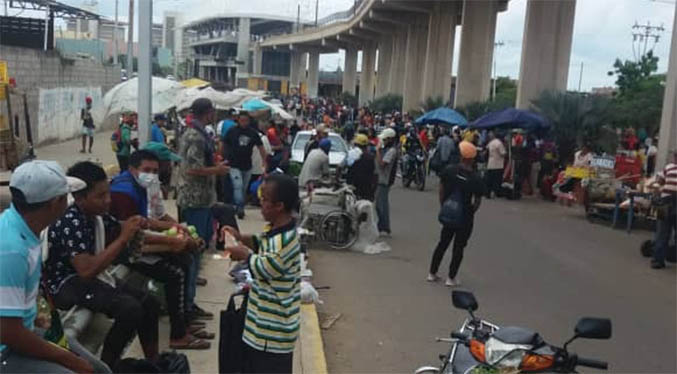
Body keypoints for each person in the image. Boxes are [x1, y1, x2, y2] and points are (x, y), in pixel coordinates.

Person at [45, 161, 160, 368]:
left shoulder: (94, 214)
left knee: (150, 303)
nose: (108, 201)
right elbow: (86, 270)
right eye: (101, 196)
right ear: (80, 197)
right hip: (64, 283)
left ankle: (154, 362)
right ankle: (107, 366)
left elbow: (119, 227)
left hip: (84, 280)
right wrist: (124, 238)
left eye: (108, 194)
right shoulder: (70, 218)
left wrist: (134, 224)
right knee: (130, 309)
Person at [0, 160, 111, 374]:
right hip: (5, 350)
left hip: (20, 332)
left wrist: (31, 315)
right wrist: (68, 360)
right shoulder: (11, 249)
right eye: (67, 197)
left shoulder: (23, 227)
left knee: (99, 370)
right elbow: (7, 332)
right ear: (54, 204)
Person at [109, 151, 212, 350]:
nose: (151, 174)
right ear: (132, 169)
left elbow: (150, 220)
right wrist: (168, 241)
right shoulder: (124, 192)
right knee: (175, 272)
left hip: (138, 243)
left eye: (155, 170)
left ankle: (184, 322)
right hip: (125, 251)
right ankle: (178, 334)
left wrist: (178, 231)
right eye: (146, 170)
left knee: (184, 258)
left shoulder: (142, 186)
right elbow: (132, 237)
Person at [221, 174, 301, 374]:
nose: (260, 202)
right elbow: (260, 241)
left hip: (272, 334)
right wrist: (240, 237)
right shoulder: (276, 230)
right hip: (259, 328)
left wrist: (244, 255)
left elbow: (264, 267)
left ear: (279, 206)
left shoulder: (286, 241)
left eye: (264, 199)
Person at [177, 98, 230, 322]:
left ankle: (189, 302)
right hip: (195, 200)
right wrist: (217, 170)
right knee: (192, 253)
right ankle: (186, 306)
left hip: (203, 199)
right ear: (208, 113)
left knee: (198, 250)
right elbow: (193, 169)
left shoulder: (200, 134)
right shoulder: (195, 136)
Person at [428, 141, 485, 287]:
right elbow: (477, 201)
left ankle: (432, 273)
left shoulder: (450, 170)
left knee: (442, 243)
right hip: (465, 217)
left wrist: (444, 205)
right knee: (459, 248)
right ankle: (450, 278)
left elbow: (441, 189)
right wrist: (471, 211)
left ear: (461, 156)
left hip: (449, 213)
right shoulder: (475, 178)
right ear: (472, 159)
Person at [223, 112, 268, 219]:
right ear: (238, 120)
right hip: (233, 164)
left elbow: (261, 148)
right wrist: (223, 157)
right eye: (242, 120)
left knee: (243, 188)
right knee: (237, 186)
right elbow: (224, 143)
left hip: (247, 165)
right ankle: (239, 208)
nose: (244, 123)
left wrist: (264, 162)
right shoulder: (232, 131)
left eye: (246, 121)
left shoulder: (252, 133)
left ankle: (239, 205)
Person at [651, 150, 677, 269]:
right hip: (670, 202)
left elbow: (658, 182)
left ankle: (657, 260)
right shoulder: (668, 167)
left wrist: (657, 192)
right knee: (663, 232)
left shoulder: (668, 167)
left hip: (664, 202)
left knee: (661, 232)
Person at [374, 128, 398, 237]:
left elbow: (382, 164)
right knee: (381, 204)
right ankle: (384, 226)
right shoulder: (387, 149)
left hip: (384, 180)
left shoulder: (391, 151)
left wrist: (378, 151)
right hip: (380, 179)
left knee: (380, 205)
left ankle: (383, 226)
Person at [346, 134, 376, 201]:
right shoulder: (371, 157)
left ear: (356, 144)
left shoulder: (352, 153)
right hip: (367, 189)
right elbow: (375, 174)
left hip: (354, 186)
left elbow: (341, 167)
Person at [486, 131, 506, 198]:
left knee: (490, 180)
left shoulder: (490, 142)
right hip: (498, 164)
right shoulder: (499, 143)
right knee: (497, 180)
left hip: (490, 164)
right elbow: (502, 153)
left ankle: (488, 193)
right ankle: (496, 193)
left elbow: (486, 149)